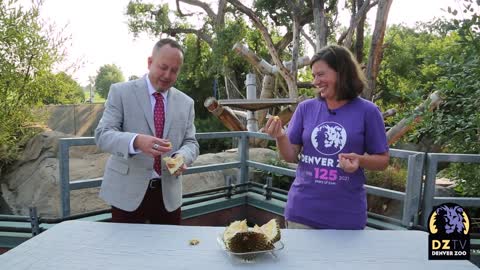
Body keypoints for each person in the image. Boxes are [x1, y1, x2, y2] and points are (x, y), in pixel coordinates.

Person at [264, 45, 389, 230]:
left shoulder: (368, 111)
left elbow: (383, 160)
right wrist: (280, 137)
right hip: (301, 213)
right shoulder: (305, 108)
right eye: (314, 76)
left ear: (342, 72)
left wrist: (359, 160)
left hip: (346, 218)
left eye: (321, 74)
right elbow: (290, 156)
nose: (315, 81)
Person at [95, 38, 199, 225]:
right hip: (126, 194)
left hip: (168, 197)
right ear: (150, 62)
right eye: (163, 67)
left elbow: (191, 143)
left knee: (167, 253)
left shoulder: (187, 103)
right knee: (126, 253)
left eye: (174, 70)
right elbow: (103, 135)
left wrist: (182, 156)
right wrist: (136, 141)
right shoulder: (120, 92)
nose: (167, 75)